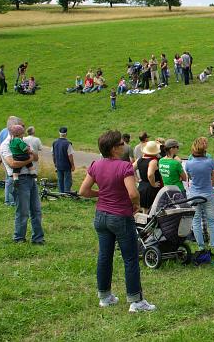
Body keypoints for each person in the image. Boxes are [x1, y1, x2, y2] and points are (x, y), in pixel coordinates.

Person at [78, 130, 155, 312]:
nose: (124, 146)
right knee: (130, 258)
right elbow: (133, 193)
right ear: (114, 148)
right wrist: (136, 204)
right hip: (120, 216)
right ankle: (136, 301)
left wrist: (101, 193)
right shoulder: (124, 166)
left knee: (105, 256)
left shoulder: (96, 165)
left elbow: (83, 191)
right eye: (121, 144)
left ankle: (105, 297)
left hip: (101, 216)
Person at [0, 116, 44, 244]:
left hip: (30, 178)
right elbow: (13, 163)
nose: (24, 129)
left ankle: (38, 238)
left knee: (36, 210)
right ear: (13, 128)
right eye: (22, 126)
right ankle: (19, 238)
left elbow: (36, 157)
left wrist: (30, 154)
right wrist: (30, 158)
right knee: (23, 211)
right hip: (20, 180)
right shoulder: (6, 145)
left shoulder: (23, 141)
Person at [184, 137, 214, 250]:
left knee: (196, 220)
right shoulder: (209, 162)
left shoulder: (189, 164)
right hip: (208, 193)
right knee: (212, 220)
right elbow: (212, 175)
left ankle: (201, 246)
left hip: (194, 194)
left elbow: (190, 177)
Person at [133, 141, 162, 213]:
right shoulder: (153, 161)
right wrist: (153, 184)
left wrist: (136, 178)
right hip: (151, 189)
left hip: (142, 186)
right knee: (150, 212)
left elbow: (131, 169)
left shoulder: (140, 159)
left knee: (144, 210)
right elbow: (150, 174)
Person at [52, 127, 75, 193]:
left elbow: (53, 154)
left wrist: (55, 164)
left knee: (60, 180)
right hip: (66, 165)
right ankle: (67, 193)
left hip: (58, 165)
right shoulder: (68, 143)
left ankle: (60, 193)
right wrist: (72, 165)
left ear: (59, 133)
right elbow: (70, 156)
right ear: (66, 134)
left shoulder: (54, 143)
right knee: (67, 180)